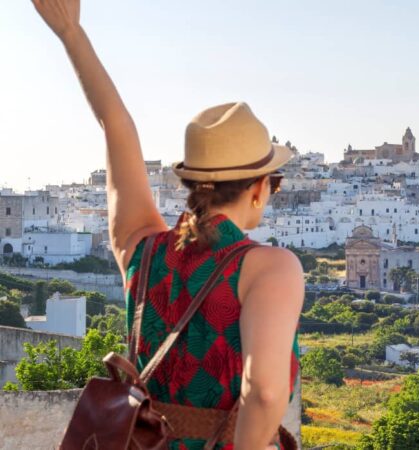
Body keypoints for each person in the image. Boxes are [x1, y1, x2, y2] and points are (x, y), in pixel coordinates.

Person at [32, 1, 304, 448]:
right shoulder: (269, 268)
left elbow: (115, 127)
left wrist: (71, 34)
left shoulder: (142, 249)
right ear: (259, 187)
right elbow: (265, 392)